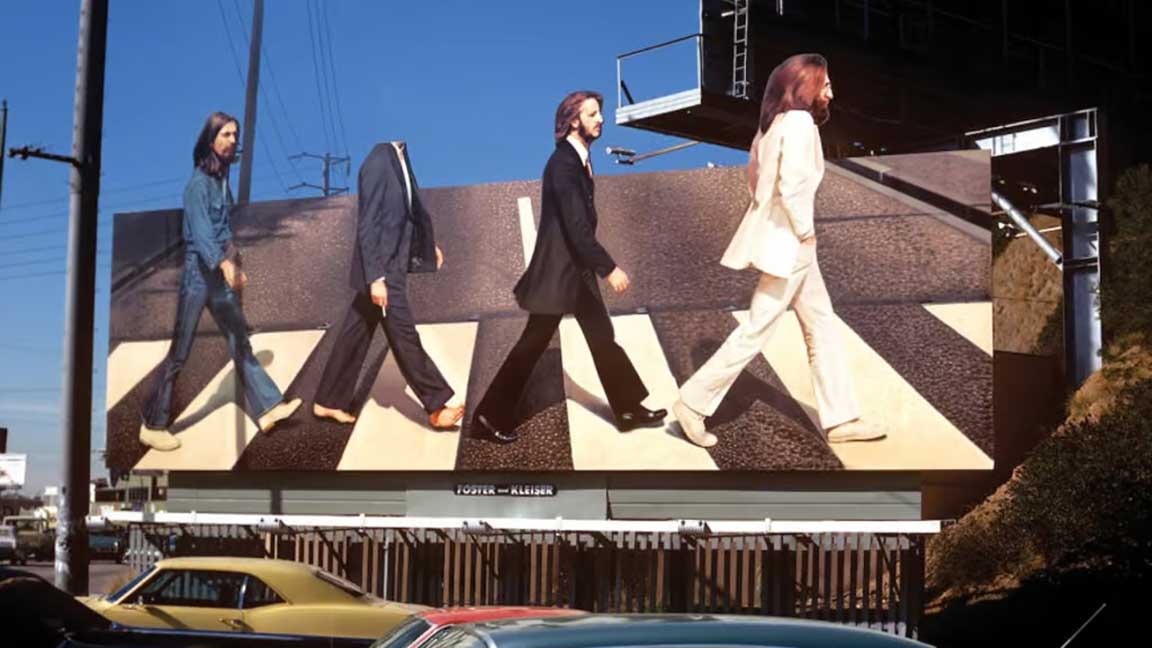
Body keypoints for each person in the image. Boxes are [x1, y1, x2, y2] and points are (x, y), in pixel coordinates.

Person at [672, 54, 885, 448]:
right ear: (807, 87)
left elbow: (756, 185)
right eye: (825, 85)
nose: (831, 93)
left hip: (786, 242)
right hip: (793, 245)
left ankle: (840, 420)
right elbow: (791, 186)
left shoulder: (771, 126)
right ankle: (693, 402)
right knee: (757, 328)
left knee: (820, 322)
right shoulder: (801, 123)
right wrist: (805, 233)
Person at [470, 90, 665, 443]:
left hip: (574, 274)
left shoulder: (578, 160)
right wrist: (609, 268)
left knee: (602, 337)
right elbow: (576, 227)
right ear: (574, 121)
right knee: (532, 344)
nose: (600, 119)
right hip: (559, 275)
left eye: (599, 113)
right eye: (592, 114)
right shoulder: (562, 164)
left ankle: (627, 407)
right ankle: (488, 416)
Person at [139, 112, 301, 451]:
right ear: (210, 139)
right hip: (199, 276)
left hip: (216, 275)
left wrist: (232, 258)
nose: (231, 141)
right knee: (180, 353)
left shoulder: (219, 181)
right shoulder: (198, 184)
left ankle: (269, 408)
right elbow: (201, 234)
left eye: (234, 135)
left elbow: (222, 229)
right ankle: (152, 425)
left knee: (239, 340)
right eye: (225, 134)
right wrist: (224, 263)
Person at [311, 141, 464, 429]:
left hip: (390, 264)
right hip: (383, 270)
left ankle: (328, 401)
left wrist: (427, 246)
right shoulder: (379, 159)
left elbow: (404, 217)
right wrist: (375, 278)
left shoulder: (400, 157)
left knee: (354, 333)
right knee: (405, 336)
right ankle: (435, 405)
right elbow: (368, 222)